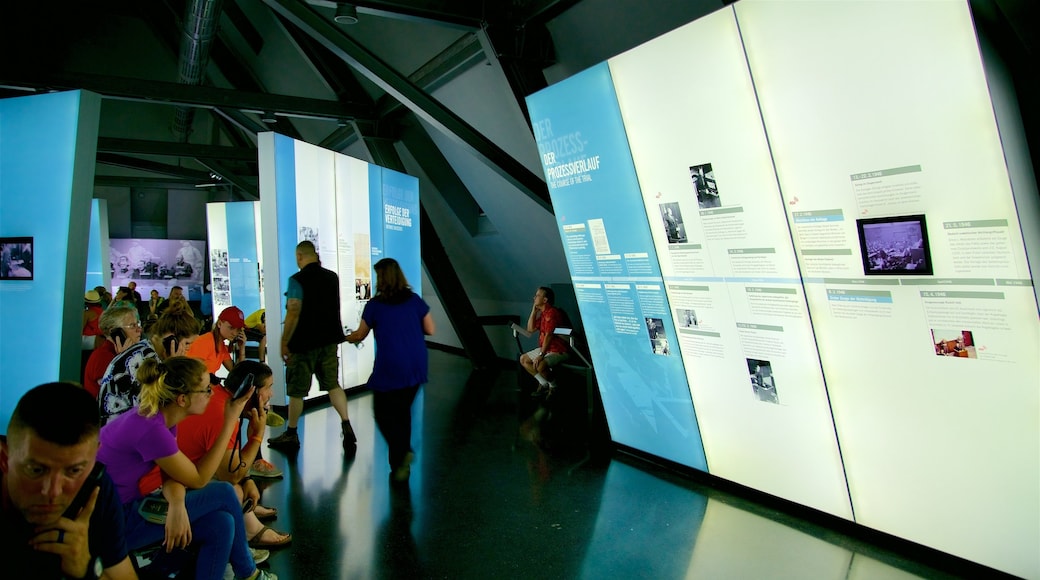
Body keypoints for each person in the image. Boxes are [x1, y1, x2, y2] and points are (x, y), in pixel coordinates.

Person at [97, 357, 274, 580]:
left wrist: (178, 505)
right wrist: (230, 422)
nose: (211, 394)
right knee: (225, 492)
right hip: (116, 522)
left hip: (128, 509)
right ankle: (250, 574)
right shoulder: (152, 430)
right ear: (182, 399)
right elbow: (199, 480)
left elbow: (172, 475)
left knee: (221, 523)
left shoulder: (159, 420)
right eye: (205, 389)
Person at [139, 361, 291, 550]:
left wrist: (247, 479)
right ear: (251, 391)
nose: (272, 394)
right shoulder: (222, 413)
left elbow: (229, 465)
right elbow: (230, 474)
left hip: (173, 480)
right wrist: (256, 437)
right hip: (156, 494)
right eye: (269, 387)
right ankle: (247, 537)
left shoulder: (221, 400)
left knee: (235, 488)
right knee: (231, 490)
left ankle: (245, 532)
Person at [1, 382, 136, 579]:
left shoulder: (97, 491)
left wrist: (86, 568)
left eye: (74, 471)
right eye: (36, 470)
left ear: (92, 462)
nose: (52, 491)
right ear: (4, 460)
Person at [345, 258, 434, 484]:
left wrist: (343, 337)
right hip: (416, 364)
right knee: (402, 413)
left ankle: (402, 454)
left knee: (383, 413)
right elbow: (430, 329)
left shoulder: (375, 305)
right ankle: (400, 464)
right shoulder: (414, 300)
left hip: (391, 366)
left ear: (382, 278)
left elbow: (359, 335)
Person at [269, 241, 355, 453]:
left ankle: (291, 433)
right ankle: (347, 424)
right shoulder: (332, 277)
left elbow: (293, 312)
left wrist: (283, 341)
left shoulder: (296, 280)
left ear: (299, 256)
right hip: (328, 342)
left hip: (303, 343)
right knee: (333, 385)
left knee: (297, 391)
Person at [98, 299, 200, 425]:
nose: (187, 350)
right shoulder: (144, 359)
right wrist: (173, 369)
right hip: (120, 435)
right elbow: (155, 408)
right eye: (187, 344)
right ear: (170, 339)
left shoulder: (149, 351)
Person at [519, 286, 569, 399]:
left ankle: (554, 386)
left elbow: (549, 335)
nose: (534, 298)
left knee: (540, 365)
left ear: (545, 300)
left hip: (557, 350)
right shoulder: (543, 314)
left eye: (537, 296)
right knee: (523, 359)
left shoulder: (551, 313)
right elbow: (530, 329)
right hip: (546, 348)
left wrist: (541, 355)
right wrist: (533, 311)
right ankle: (543, 383)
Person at [83, 305, 141, 400]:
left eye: (138, 324)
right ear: (115, 331)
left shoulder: (127, 353)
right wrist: (122, 360)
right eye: (132, 326)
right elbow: (121, 396)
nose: (139, 330)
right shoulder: (103, 356)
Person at [187, 306, 247, 376]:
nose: (234, 333)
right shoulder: (206, 341)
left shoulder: (221, 346)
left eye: (238, 329)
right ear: (219, 324)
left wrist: (242, 349)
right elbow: (192, 373)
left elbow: (237, 374)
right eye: (231, 327)